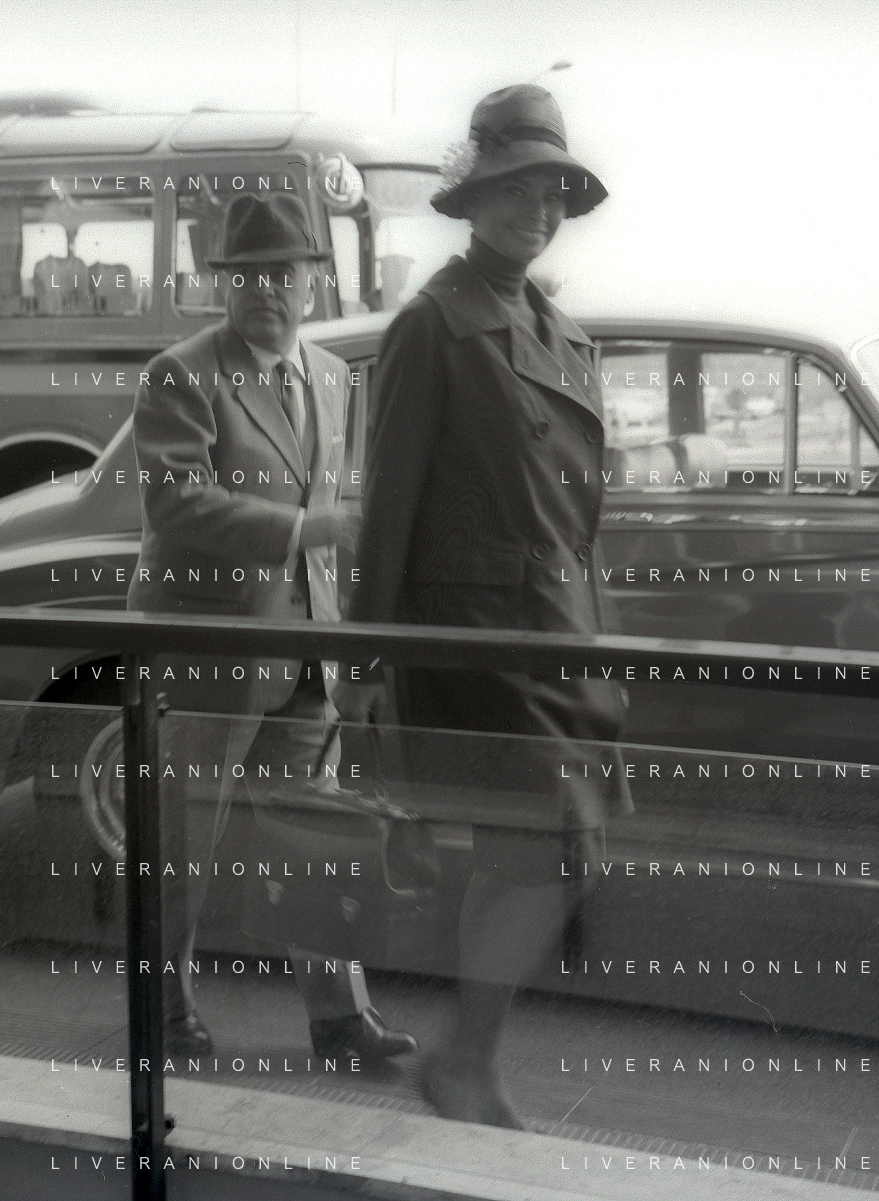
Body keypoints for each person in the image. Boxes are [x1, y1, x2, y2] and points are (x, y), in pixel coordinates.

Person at [336, 84, 631, 1127]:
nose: (536, 211)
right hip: (483, 643)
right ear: (471, 200)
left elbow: (575, 519)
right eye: (515, 190)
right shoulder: (435, 324)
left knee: (545, 849)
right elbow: (388, 511)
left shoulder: (556, 327)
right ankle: (467, 1057)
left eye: (552, 193)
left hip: (559, 639)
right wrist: (364, 669)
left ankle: (468, 1056)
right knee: (545, 846)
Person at [127, 191, 417, 1065]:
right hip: (209, 657)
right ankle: (163, 1010)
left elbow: (337, 523)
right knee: (183, 845)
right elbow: (176, 502)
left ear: (311, 282)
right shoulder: (180, 373)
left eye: (282, 273)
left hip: (303, 658)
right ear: (224, 284)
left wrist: (347, 645)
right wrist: (303, 528)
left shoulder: (330, 375)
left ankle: (338, 1018)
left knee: (309, 841)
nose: (265, 290)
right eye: (247, 275)